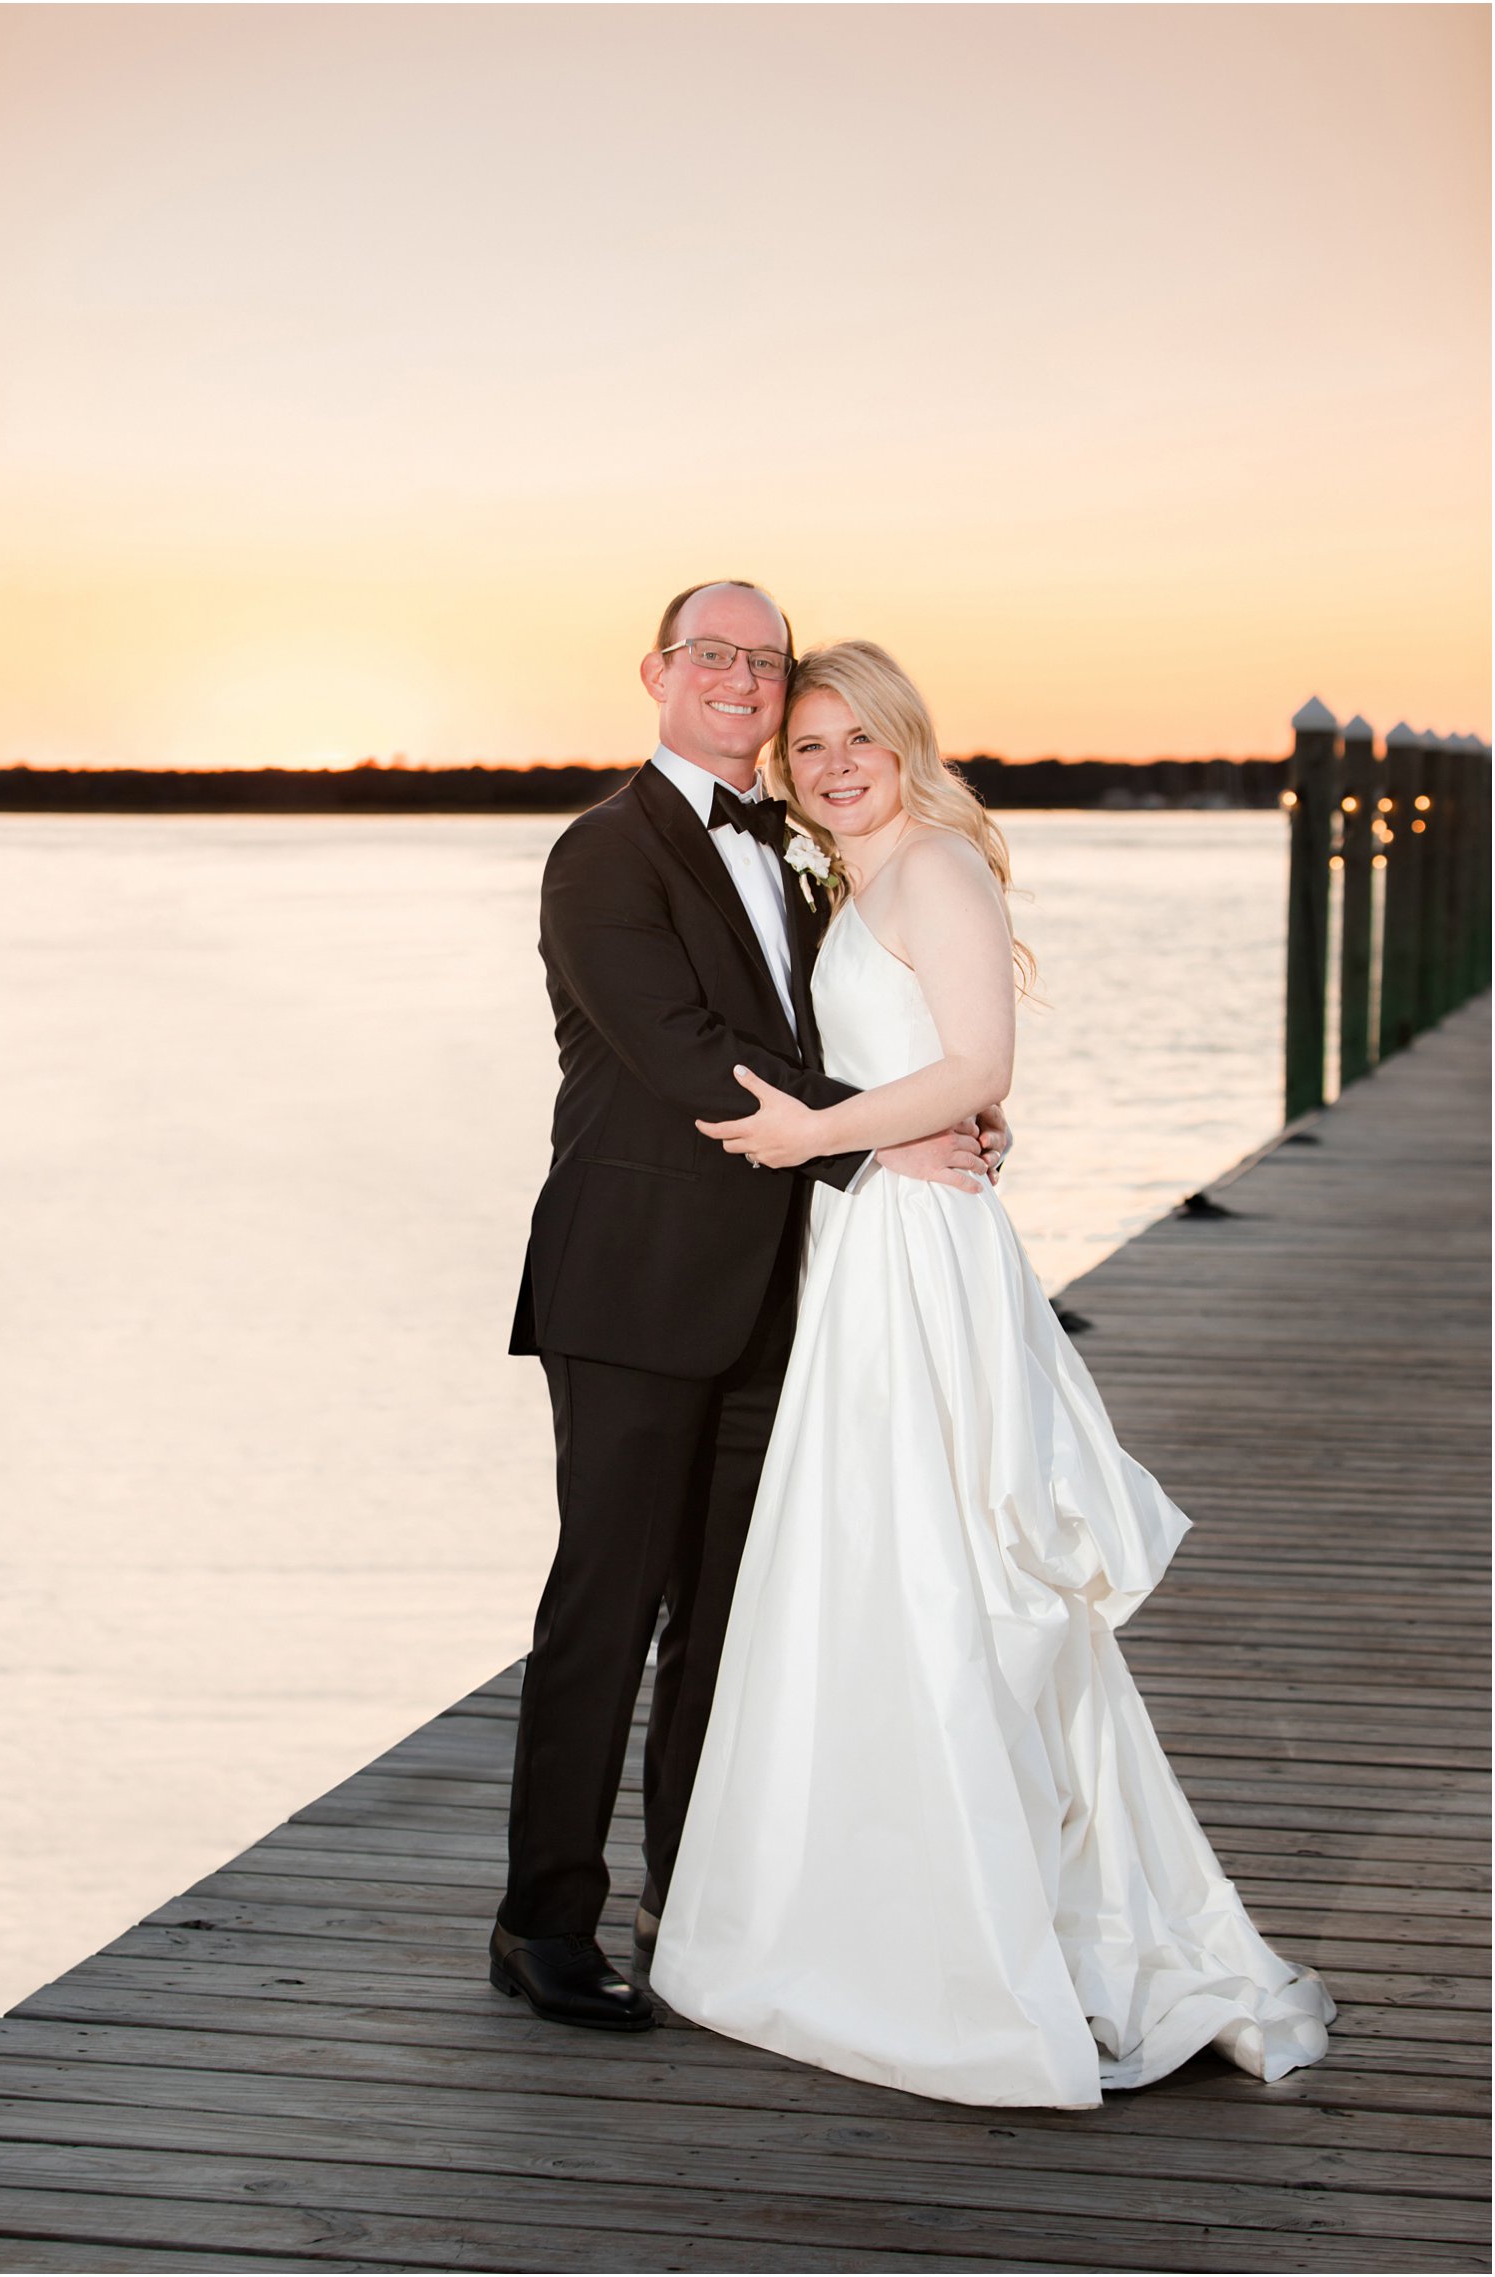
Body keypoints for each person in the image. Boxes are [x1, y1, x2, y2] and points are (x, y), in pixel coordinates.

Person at [649, 639, 1335, 2104]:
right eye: (810, 744)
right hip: (875, 1245)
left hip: (921, 1254)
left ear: (909, 743)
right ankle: (874, 1906)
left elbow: (978, 1067)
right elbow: (928, 1076)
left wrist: (812, 1136)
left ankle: (976, 1938)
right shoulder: (864, 879)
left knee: (943, 1558)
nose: (833, 765)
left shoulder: (942, 870)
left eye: (859, 740)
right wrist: (869, 1129)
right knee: (879, 1557)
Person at [492, 586, 1010, 2031]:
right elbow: (687, 1053)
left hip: (788, 1287)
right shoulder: (602, 853)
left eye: (763, 661)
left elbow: (852, 1028)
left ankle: (696, 1893)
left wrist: (939, 1111)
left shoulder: (797, 856)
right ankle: (542, 1921)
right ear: (656, 672)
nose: (740, 677)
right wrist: (887, 1131)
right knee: (607, 1601)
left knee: (730, 1615)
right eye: (711, 654)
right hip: (636, 1279)